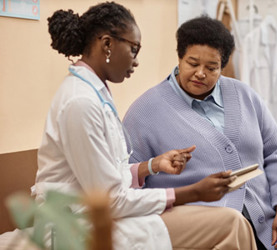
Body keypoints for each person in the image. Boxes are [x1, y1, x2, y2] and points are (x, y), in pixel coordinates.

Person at [33, 3, 256, 250]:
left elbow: (106, 177)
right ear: (107, 44)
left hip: (100, 214)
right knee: (231, 224)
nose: (136, 61)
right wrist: (194, 193)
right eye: (133, 49)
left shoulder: (94, 94)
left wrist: (151, 166)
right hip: (76, 226)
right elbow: (110, 199)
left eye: (212, 68)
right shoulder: (79, 103)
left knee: (232, 223)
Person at [123, 16, 277, 250]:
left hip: (268, 220)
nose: (201, 73)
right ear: (179, 58)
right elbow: (125, 180)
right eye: (192, 63)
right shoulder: (145, 111)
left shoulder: (244, 95)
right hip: (211, 232)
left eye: (212, 68)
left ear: (223, 66)